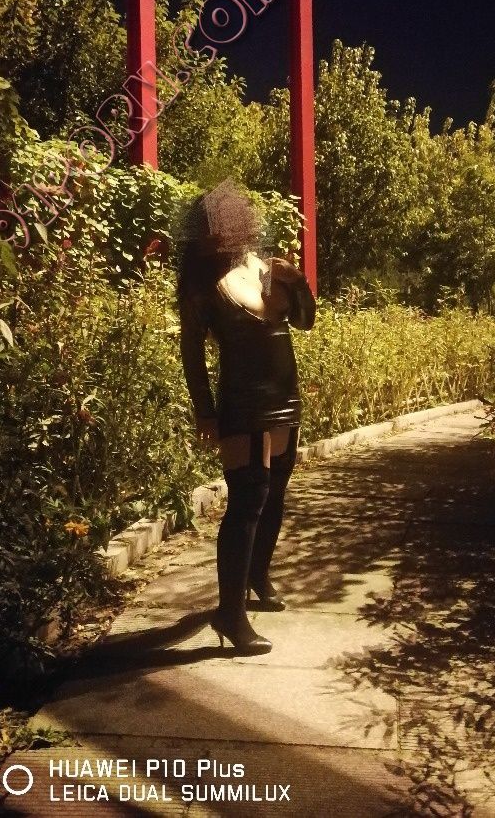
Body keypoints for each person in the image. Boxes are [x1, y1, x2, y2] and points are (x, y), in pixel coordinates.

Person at [177, 181, 316, 655]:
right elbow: (192, 355)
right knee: (247, 500)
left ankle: (257, 575)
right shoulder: (201, 284)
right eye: (213, 225)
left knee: (274, 491)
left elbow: (304, 321)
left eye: (229, 220)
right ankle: (230, 615)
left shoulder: (262, 267)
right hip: (242, 401)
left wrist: (296, 281)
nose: (224, 230)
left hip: (284, 397)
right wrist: (206, 412)